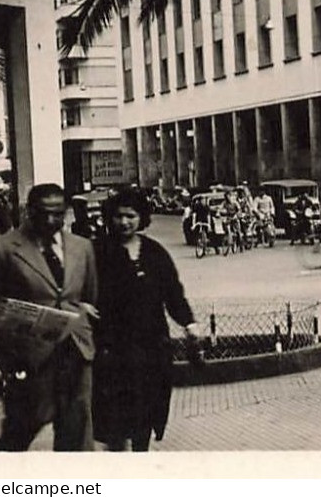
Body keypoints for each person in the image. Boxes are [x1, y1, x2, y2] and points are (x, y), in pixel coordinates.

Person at [0, 183, 100, 451]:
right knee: (20, 431)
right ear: (29, 211)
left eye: (58, 213)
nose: (51, 220)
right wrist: (16, 339)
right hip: (29, 360)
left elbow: (88, 296)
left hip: (76, 352)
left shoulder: (82, 247)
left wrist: (82, 314)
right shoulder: (1, 250)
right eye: (43, 213)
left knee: (77, 436)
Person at [92, 187, 201, 451]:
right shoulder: (97, 251)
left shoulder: (155, 253)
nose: (124, 222)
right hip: (112, 348)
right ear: (110, 218)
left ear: (142, 217)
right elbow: (80, 288)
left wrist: (188, 323)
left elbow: (173, 293)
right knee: (115, 417)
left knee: (147, 410)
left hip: (152, 346)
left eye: (131, 215)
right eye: (119, 216)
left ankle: (140, 456)